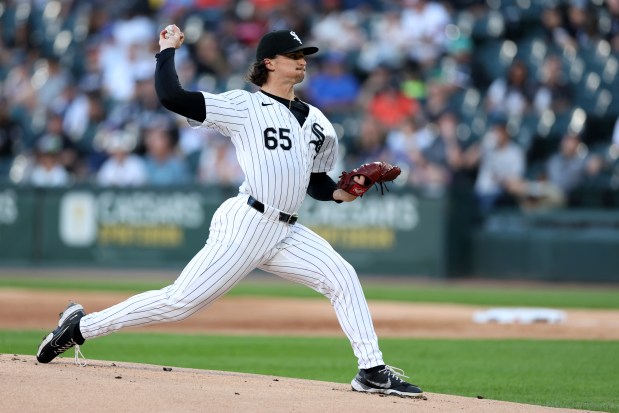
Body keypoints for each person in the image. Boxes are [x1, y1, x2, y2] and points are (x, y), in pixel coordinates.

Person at [36, 27, 424, 399]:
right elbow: (172, 96)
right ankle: (80, 327)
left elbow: (320, 186)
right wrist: (167, 50)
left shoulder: (320, 123)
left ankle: (371, 371)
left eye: (304, 55)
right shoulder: (243, 105)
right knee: (179, 303)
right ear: (269, 62)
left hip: (286, 231)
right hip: (248, 221)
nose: (302, 61)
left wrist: (352, 189)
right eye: (294, 56)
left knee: (343, 276)